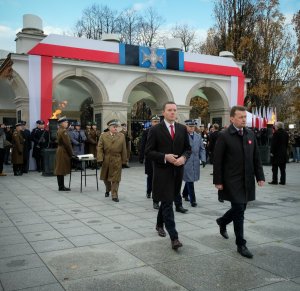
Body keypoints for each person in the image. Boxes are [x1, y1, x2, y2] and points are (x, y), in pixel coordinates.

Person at [213, 106, 265, 258]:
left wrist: (260, 176)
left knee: (241, 208)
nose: (244, 119)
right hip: (232, 180)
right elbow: (218, 161)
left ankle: (222, 221)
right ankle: (241, 244)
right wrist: (218, 181)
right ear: (232, 118)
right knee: (239, 210)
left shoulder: (250, 134)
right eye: (241, 117)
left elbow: (256, 157)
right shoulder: (224, 136)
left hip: (247, 179)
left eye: (245, 117)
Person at [145, 102, 191, 250]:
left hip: (178, 171)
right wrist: (165, 157)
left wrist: (183, 158)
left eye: (174, 110)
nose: (172, 112)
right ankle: (174, 237)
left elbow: (187, 149)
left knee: (168, 199)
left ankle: (159, 224)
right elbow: (149, 152)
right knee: (167, 203)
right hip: (162, 172)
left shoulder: (182, 129)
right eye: (169, 110)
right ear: (163, 112)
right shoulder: (155, 130)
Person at [97, 119, 127, 202]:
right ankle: (108, 189)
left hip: (117, 159)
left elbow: (124, 149)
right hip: (106, 159)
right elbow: (99, 148)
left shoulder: (121, 136)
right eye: (114, 127)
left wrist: (124, 161)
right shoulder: (103, 135)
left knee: (115, 178)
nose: (115, 128)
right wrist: (100, 158)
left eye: (116, 127)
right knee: (105, 178)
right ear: (109, 127)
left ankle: (114, 195)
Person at [182, 119, 206, 207]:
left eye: (193, 126)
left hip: (195, 161)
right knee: (190, 180)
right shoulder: (182, 136)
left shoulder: (198, 136)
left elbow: (202, 148)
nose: (192, 128)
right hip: (186, 161)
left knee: (190, 179)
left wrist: (203, 159)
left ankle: (184, 194)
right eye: (190, 126)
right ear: (186, 126)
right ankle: (193, 200)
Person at [139, 114, 161, 209]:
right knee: (150, 176)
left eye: (158, 121)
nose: (156, 123)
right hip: (150, 158)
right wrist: (141, 156)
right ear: (151, 122)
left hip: (160, 158)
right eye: (154, 121)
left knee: (158, 178)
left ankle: (156, 196)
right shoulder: (147, 132)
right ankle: (149, 191)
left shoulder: (163, 131)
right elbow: (143, 145)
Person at [54, 116, 73, 191]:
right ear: (62, 123)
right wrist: (71, 153)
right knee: (61, 169)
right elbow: (67, 144)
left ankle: (61, 186)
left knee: (59, 168)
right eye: (66, 122)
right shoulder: (63, 131)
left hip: (60, 149)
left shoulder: (60, 130)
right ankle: (61, 187)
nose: (67, 123)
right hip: (63, 151)